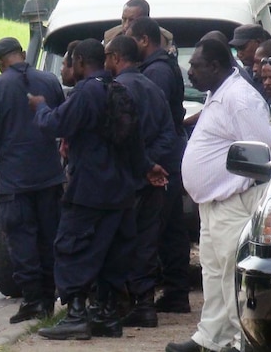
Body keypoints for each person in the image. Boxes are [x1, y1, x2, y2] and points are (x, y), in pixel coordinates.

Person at [28, 38, 166, 341]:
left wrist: (40, 108)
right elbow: (135, 143)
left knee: (71, 247)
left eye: (69, 61)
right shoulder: (120, 90)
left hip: (90, 190)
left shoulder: (87, 92)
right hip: (120, 192)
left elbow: (55, 124)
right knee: (111, 252)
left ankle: (77, 315)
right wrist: (147, 168)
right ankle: (105, 315)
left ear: (79, 62)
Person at [166, 39, 271, 352]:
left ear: (215, 67)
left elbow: (267, 146)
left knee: (231, 273)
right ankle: (211, 337)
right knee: (213, 272)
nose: (189, 72)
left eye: (195, 66)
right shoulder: (217, 92)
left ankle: (237, 340)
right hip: (212, 203)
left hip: (233, 201)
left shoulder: (239, 98)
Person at [0, 37, 65, 324]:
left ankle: (33, 300)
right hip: (50, 175)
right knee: (49, 236)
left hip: (14, 179)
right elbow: (62, 122)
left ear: (1, 64)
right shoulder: (50, 81)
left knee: (21, 238)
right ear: (22, 55)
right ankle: (49, 299)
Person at [104, 35, 177, 328]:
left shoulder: (117, 89)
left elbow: (115, 139)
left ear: (117, 58)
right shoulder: (153, 88)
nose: (105, 62)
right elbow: (168, 134)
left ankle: (121, 304)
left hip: (124, 180)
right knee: (146, 243)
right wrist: (152, 165)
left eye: (108, 56)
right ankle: (145, 304)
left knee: (119, 242)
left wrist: (141, 165)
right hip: (151, 180)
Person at [126, 17, 191, 314]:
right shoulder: (159, 67)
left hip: (161, 163)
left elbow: (153, 122)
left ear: (143, 40)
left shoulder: (156, 73)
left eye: (129, 33)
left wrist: (147, 162)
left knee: (155, 233)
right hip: (167, 157)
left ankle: (153, 298)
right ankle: (175, 292)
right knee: (169, 231)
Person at [102, 0, 175, 52]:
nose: (126, 26)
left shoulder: (162, 43)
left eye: (132, 20)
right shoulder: (111, 39)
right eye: (124, 19)